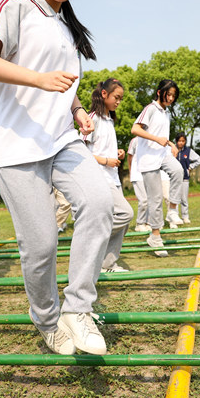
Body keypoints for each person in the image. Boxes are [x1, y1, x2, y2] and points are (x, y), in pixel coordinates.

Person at [0, 0, 113, 356]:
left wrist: (76, 112)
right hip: (16, 149)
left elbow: (64, 87)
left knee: (102, 202)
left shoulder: (68, 29)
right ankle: (49, 321)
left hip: (61, 141)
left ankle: (78, 309)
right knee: (42, 246)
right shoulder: (15, 9)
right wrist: (37, 80)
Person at [83, 78, 134, 273]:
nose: (119, 102)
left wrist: (117, 153)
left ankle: (107, 264)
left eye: (121, 99)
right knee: (125, 213)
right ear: (104, 94)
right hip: (99, 177)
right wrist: (105, 161)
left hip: (112, 177)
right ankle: (89, 238)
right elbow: (81, 152)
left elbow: (104, 149)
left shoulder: (109, 120)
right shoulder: (92, 118)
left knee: (124, 224)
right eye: (116, 97)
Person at [131, 79, 184, 257]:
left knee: (178, 171)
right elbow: (135, 129)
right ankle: (155, 236)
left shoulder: (165, 112)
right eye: (168, 95)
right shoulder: (151, 109)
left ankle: (173, 211)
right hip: (147, 159)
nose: (170, 98)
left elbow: (162, 136)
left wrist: (170, 144)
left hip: (162, 154)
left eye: (173, 96)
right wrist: (157, 139)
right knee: (155, 200)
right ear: (160, 92)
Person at [174, 132, 200, 224]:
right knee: (175, 198)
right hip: (173, 178)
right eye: (179, 141)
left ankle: (185, 217)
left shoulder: (188, 151)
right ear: (176, 141)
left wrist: (190, 167)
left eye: (183, 141)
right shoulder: (172, 150)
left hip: (184, 178)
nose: (181, 143)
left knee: (184, 199)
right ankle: (175, 216)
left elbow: (199, 159)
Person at [127, 137, 150, 233]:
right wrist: (130, 171)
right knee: (143, 200)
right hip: (137, 175)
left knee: (150, 200)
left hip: (148, 173)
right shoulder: (135, 140)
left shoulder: (151, 139)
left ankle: (147, 222)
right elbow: (129, 156)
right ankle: (139, 223)